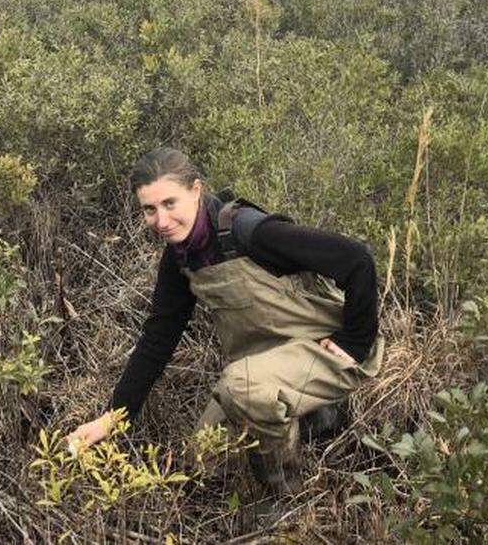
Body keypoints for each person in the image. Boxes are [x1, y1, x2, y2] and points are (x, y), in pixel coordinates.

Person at [66, 147, 384, 491]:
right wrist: (112, 417)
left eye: (170, 203)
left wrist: (355, 341)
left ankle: (284, 493)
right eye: (149, 209)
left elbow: (357, 259)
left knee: (241, 388)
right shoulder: (180, 258)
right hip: (269, 362)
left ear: (196, 190)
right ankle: (316, 416)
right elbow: (158, 339)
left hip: (325, 351)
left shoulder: (249, 231)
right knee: (205, 459)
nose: (161, 221)